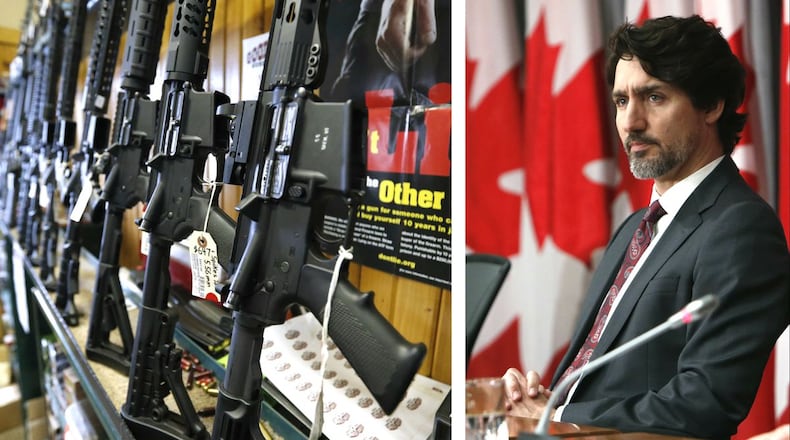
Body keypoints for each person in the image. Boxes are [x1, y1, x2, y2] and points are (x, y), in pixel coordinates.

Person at [503, 15, 790, 439]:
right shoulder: (636, 227)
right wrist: (539, 402)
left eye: (653, 97)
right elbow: (598, 371)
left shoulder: (741, 229)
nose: (630, 122)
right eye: (621, 101)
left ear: (711, 105)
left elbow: (704, 403)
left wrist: (561, 417)